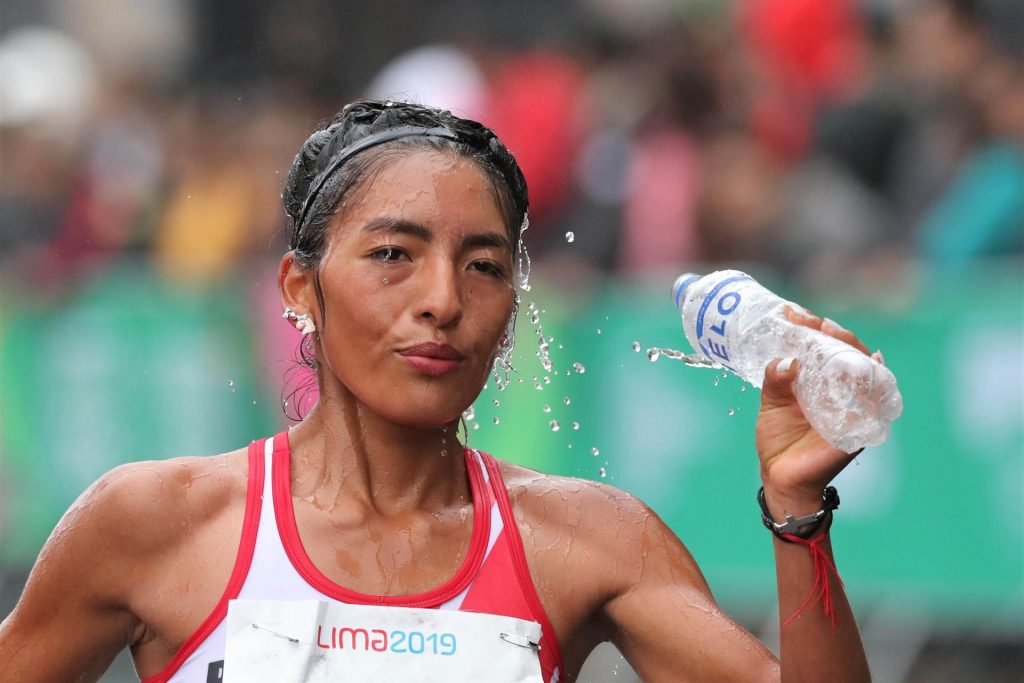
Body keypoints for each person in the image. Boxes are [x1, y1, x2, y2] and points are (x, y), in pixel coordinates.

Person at [0, 100, 874, 682]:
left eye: (485, 265)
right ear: (300, 289)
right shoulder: (154, 524)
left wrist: (798, 506)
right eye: (392, 254)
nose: (444, 300)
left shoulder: (588, 538)